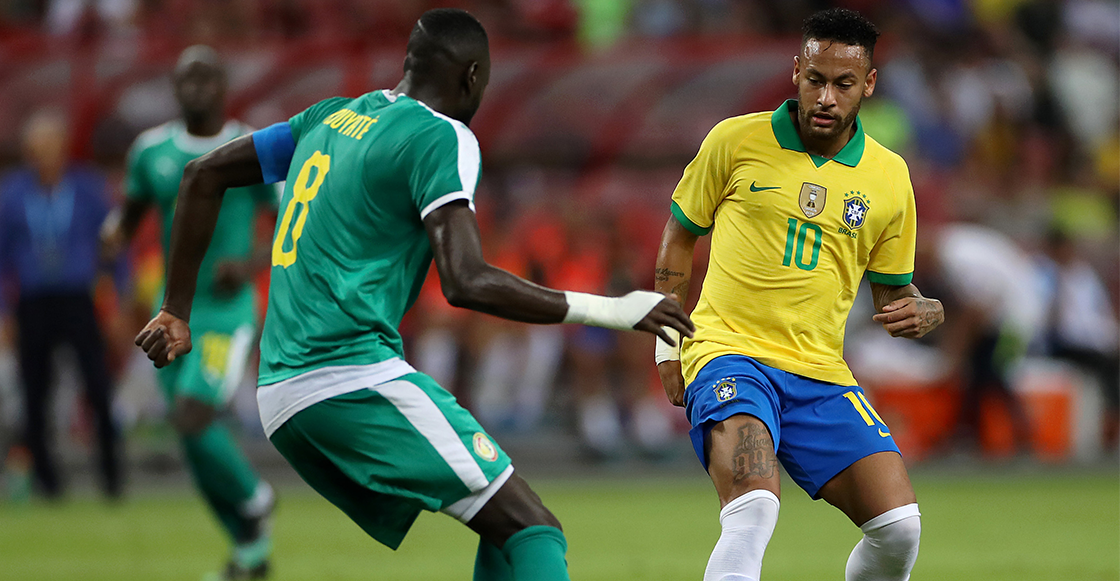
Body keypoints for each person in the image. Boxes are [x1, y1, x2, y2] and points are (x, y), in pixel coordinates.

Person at [134, 9, 692, 581]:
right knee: (534, 529)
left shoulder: (329, 116)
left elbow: (201, 174)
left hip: (280, 390)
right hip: (348, 376)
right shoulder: (443, 136)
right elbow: (466, 281)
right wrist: (613, 309)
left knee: (504, 528)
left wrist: (175, 309)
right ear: (472, 77)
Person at [653, 9, 945, 581]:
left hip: (819, 373)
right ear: (796, 72)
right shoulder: (735, 140)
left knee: (899, 529)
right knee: (754, 507)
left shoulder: (889, 176)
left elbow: (893, 293)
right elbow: (678, 239)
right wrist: (668, 347)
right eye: (816, 79)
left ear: (869, 84)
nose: (826, 98)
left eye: (843, 84)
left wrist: (925, 309)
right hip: (727, 353)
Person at [101, 46, 278, 580]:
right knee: (187, 433)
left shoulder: (253, 147)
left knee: (194, 415)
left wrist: (247, 265)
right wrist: (114, 234)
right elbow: (130, 214)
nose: (196, 87)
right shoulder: (151, 150)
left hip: (227, 312)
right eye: (186, 78)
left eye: (206, 77)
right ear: (174, 88)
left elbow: (288, 221)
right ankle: (249, 550)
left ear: (225, 86)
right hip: (171, 310)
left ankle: (256, 496)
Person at [0, 110, 124, 500]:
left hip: (78, 298)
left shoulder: (87, 189)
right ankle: (47, 482)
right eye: (35, 148)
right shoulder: (12, 194)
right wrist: (3, 313)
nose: (43, 155)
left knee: (98, 386)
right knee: (35, 393)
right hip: (33, 302)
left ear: (64, 147)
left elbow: (114, 245)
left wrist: (117, 295)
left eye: (49, 146)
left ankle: (111, 478)